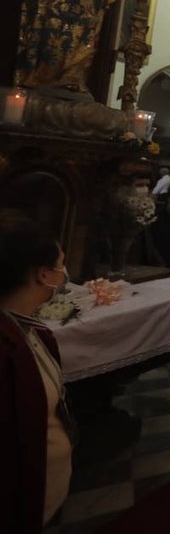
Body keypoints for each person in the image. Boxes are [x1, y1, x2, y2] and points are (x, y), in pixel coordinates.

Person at [0, 212, 74, 533]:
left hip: (46, 489)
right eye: (61, 265)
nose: (65, 275)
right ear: (43, 275)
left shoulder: (32, 329)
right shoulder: (4, 345)